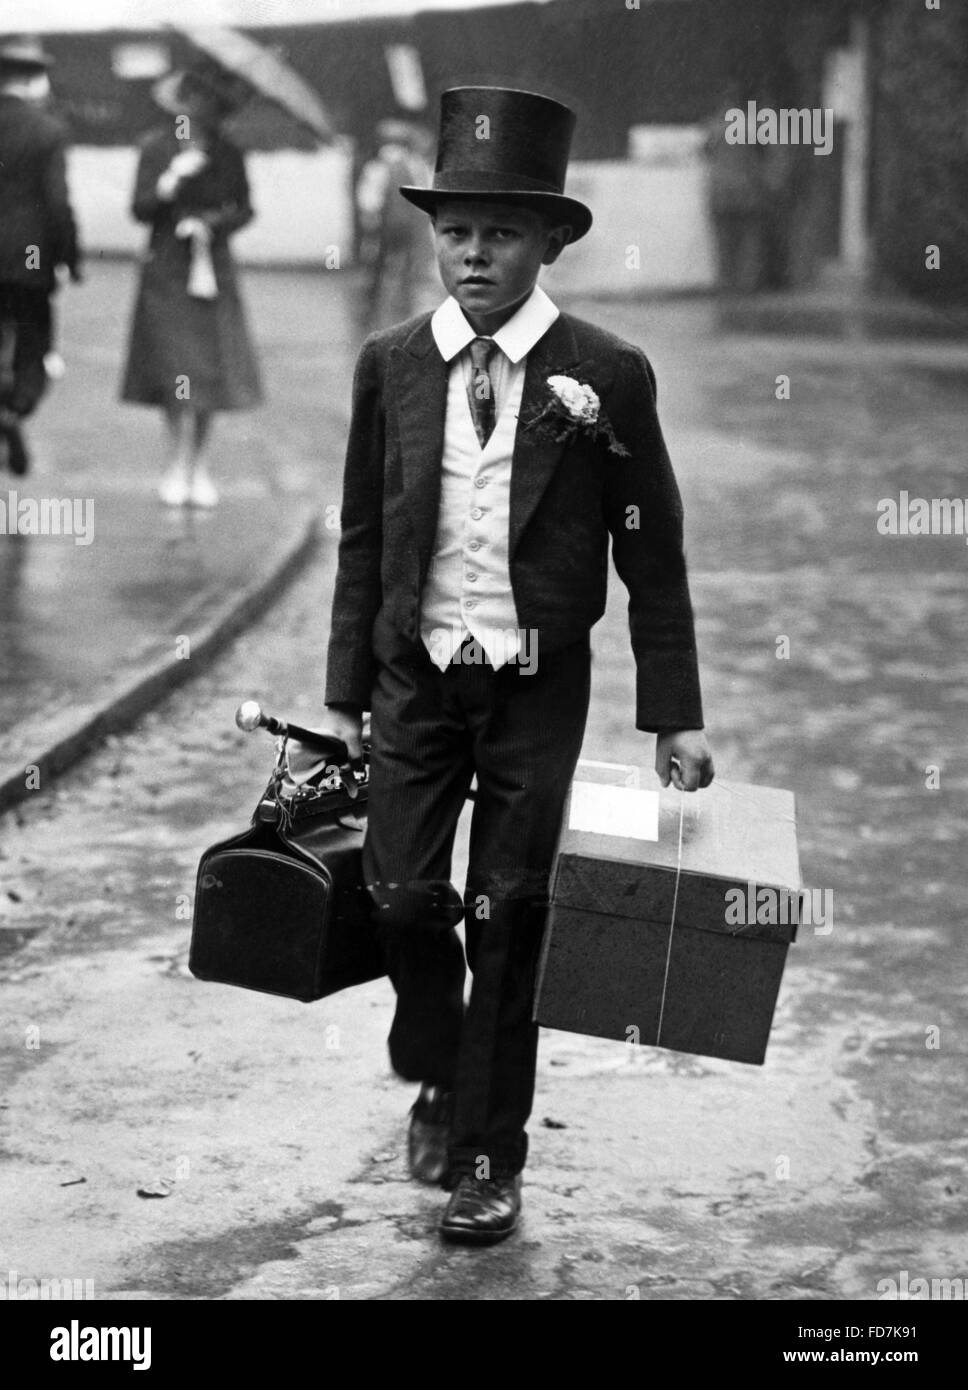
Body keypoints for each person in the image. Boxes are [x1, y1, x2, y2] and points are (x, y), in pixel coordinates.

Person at [309, 86, 714, 1245]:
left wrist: (671, 715)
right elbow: (361, 535)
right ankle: (437, 1058)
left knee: (509, 913)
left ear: (548, 243)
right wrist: (345, 696)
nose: (472, 256)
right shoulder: (389, 365)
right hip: (413, 678)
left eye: (498, 234)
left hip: (537, 684)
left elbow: (654, 556)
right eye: (454, 232)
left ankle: (490, 1156)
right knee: (399, 894)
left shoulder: (607, 373)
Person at [119, 64, 262, 508]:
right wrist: (169, 182)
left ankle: (198, 466)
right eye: (195, 102)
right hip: (167, 267)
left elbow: (244, 209)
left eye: (212, 105)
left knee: (207, 370)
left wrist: (212, 221)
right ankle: (173, 465)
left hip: (212, 268)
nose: (203, 111)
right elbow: (140, 209)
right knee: (173, 367)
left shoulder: (229, 153)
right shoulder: (157, 149)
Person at [0, 35, 81, 476]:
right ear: (33, 81)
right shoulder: (48, 131)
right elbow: (57, 205)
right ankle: (15, 410)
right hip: (29, 261)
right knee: (33, 345)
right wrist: (70, 257)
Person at [355, 118, 434, 332]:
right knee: (408, 265)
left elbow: (369, 198)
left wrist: (369, 218)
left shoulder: (378, 165)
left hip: (385, 225)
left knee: (377, 264)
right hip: (409, 224)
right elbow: (424, 190)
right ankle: (403, 307)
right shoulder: (414, 164)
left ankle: (371, 306)